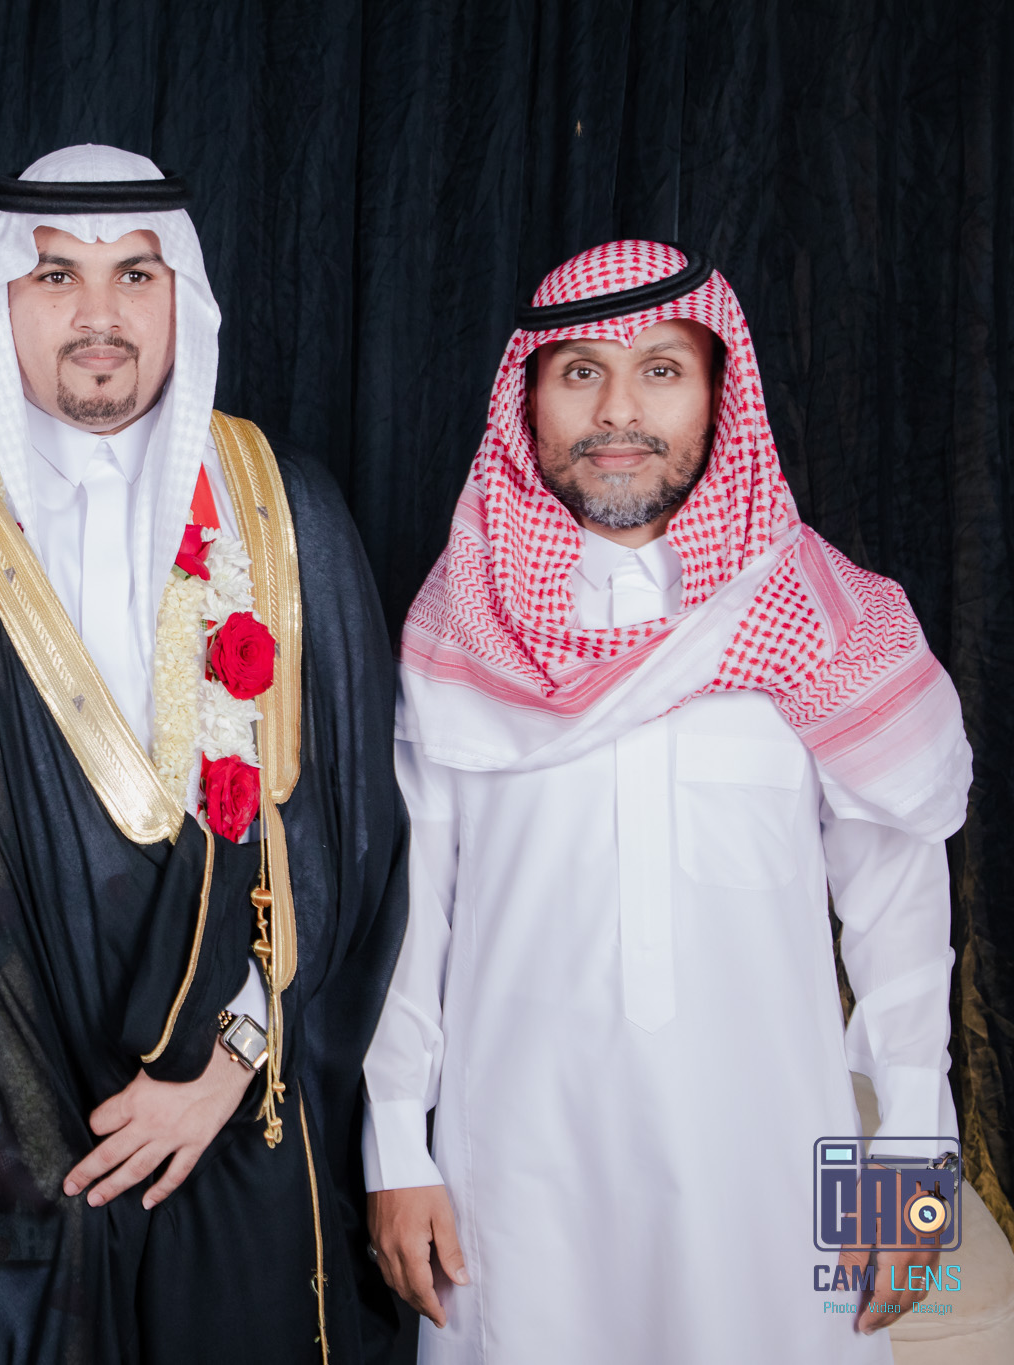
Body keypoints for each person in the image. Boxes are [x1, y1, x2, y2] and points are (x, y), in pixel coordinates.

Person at [0, 144, 408, 1363]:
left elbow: (347, 828)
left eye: (136, 276)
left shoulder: (281, 505)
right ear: (1, 302)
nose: (98, 316)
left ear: (184, 300)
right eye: (56, 276)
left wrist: (234, 1054)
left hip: (218, 1097)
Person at [366, 240, 972, 1363]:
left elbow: (900, 926)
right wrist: (396, 1150)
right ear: (528, 401)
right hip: (517, 1187)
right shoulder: (459, 633)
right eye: (580, 372)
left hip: (770, 1185)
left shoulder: (831, 623)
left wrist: (910, 1180)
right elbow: (411, 926)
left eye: (659, 369)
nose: (618, 411)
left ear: (716, 392)